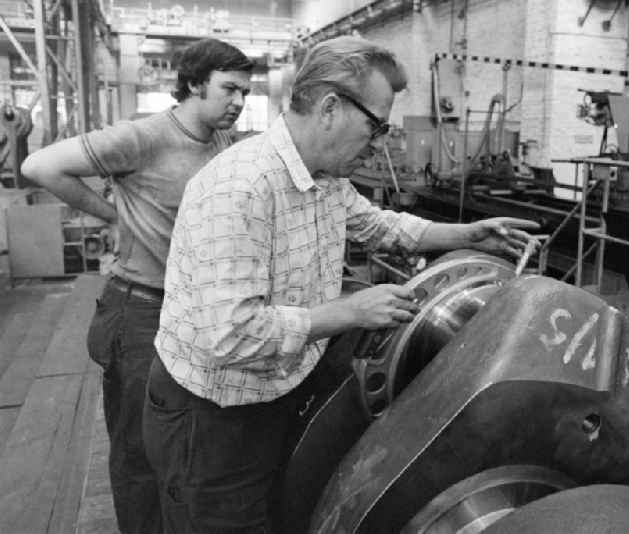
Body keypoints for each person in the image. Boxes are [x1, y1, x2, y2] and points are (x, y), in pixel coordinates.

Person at [142, 35, 539, 533]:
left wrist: (465, 234)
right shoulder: (241, 188)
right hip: (214, 417)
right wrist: (352, 311)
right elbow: (232, 335)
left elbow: (379, 226)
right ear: (330, 108)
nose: (378, 144)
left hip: (277, 392)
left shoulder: (324, 180)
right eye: (375, 127)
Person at [21, 38, 253, 534]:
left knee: (179, 442)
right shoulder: (144, 137)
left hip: (189, 312)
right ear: (194, 84)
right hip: (141, 311)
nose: (238, 102)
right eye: (229, 89)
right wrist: (114, 215)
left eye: (245, 93)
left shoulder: (220, 141)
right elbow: (39, 166)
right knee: (138, 453)